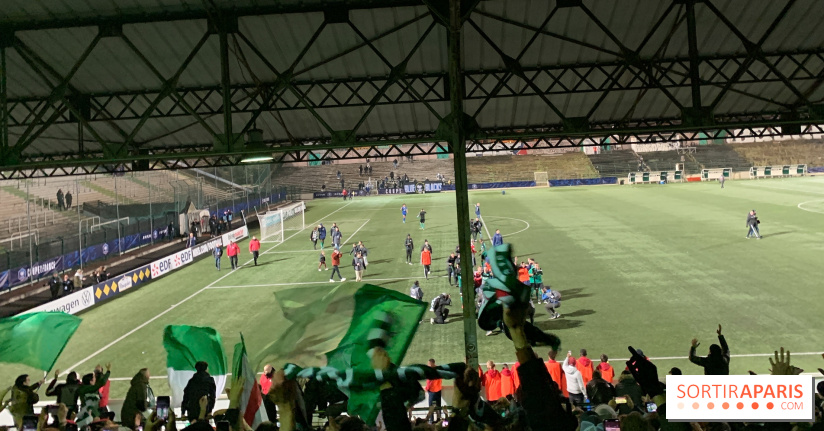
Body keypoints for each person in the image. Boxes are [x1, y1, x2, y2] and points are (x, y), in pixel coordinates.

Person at [75, 364, 111, 429]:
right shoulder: (89, 389)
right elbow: (102, 382)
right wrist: (108, 371)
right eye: (94, 378)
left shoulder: (82, 388)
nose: (95, 379)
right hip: (92, 415)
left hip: (87, 412)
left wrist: (99, 372)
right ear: (90, 381)